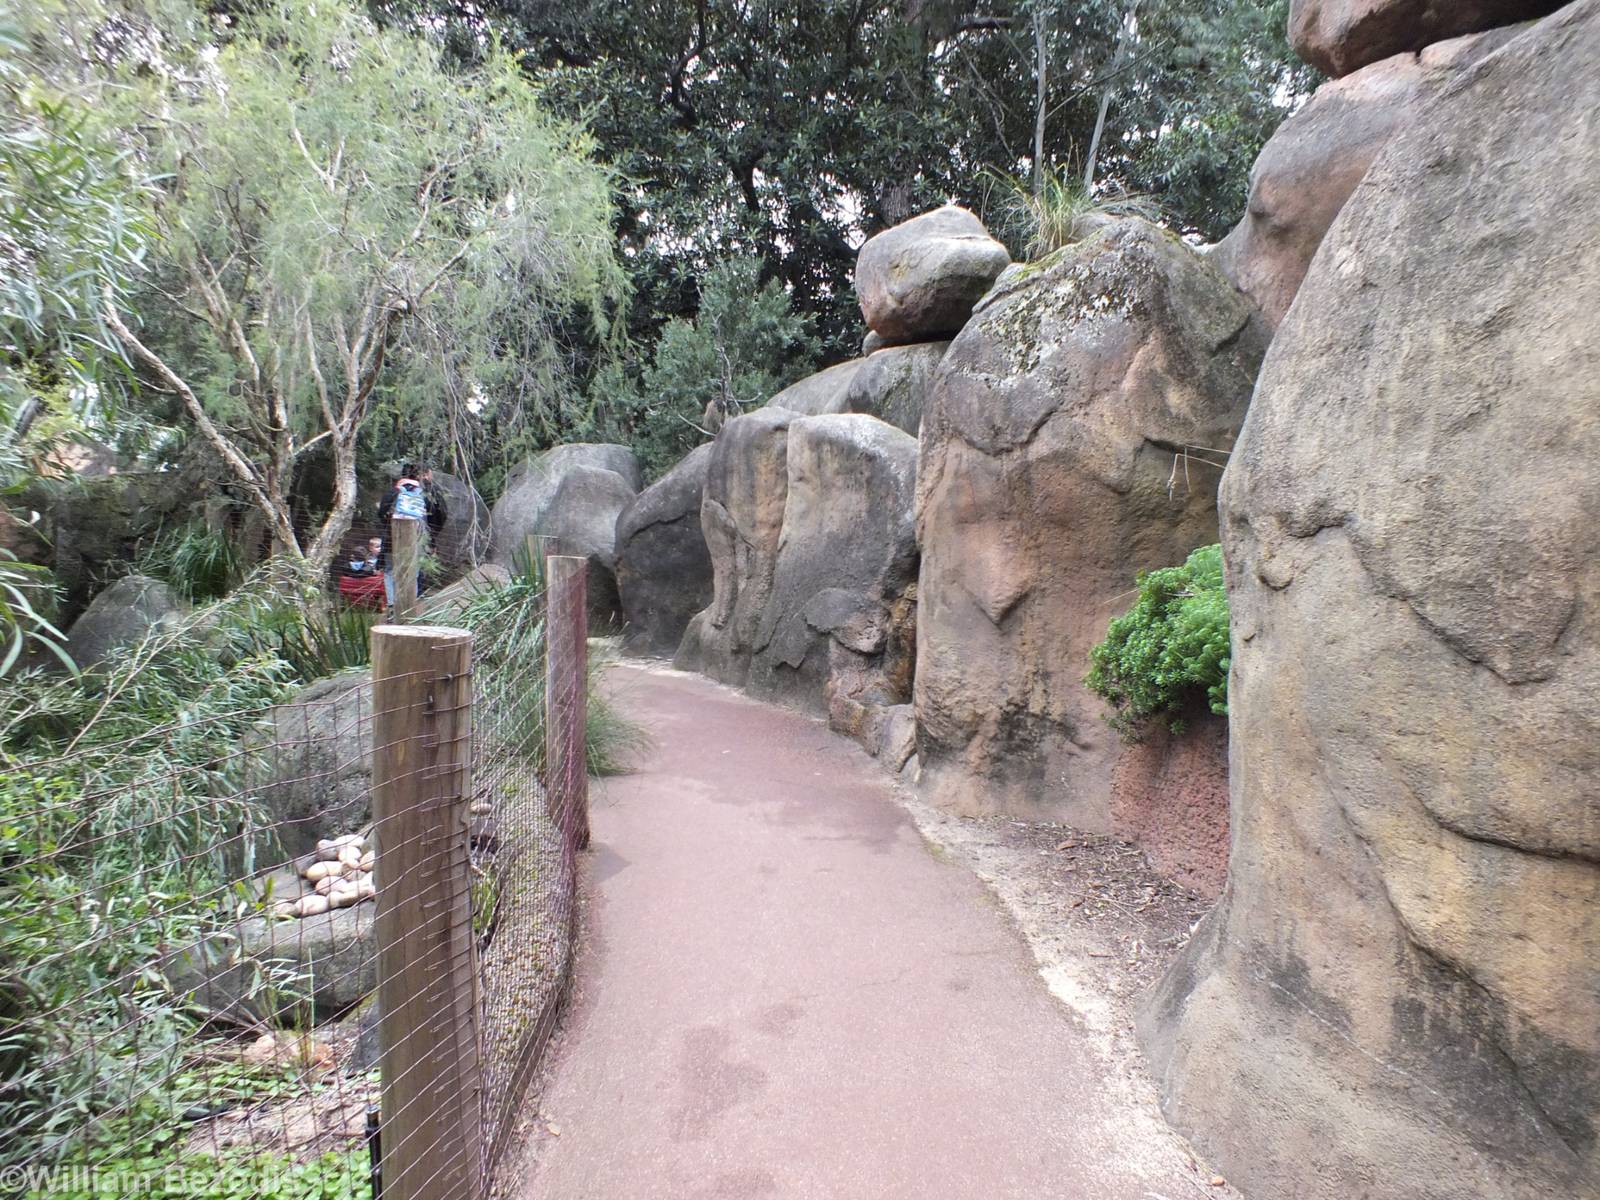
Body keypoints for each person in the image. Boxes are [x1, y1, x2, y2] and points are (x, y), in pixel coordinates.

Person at [376, 463, 446, 607]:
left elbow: (381, 513)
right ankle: (408, 606)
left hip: (393, 538)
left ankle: (391, 605)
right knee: (414, 570)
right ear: (423, 475)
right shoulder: (428, 494)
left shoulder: (393, 492)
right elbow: (441, 516)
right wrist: (432, 539)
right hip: (419, 538)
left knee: (390, 569)